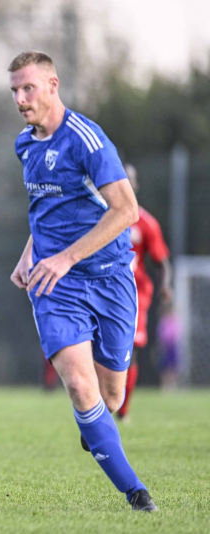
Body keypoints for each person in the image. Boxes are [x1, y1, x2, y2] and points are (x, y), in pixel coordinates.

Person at [8, 51, 157, 511]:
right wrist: (30, 255)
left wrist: (69, 256)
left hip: (111, 279)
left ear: (53, 85)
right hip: (56, 285)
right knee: (78, 383)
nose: (20, 98)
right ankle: (136, 493)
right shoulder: (24, 144)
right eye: (14, 90)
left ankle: (95, 426)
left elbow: (126, 211)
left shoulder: (87, 140)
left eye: (28, 88)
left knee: (111, 395)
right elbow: (45, 211)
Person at [116, 164, 172, 422]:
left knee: (131, 350)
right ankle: (96, 407)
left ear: (135, 186)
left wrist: (165, 287)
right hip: (103, 290)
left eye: (128, 180)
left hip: (136, 294)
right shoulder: (99, 218)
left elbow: (161, 262)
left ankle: (123, 410)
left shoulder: (146, 222)